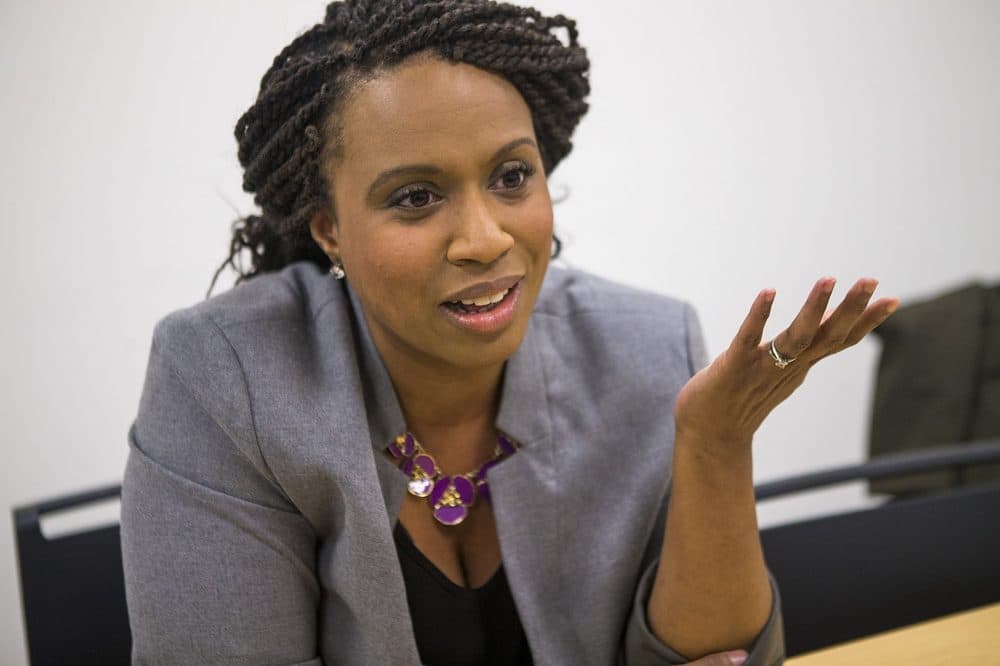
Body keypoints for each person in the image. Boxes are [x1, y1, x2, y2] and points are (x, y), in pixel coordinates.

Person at [120, 1, 898, 664]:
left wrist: (716, 446)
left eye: (511, 177)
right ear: (329, 229)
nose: (485, 238)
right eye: (417, 196)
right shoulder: (228, 378)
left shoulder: (649, 347)